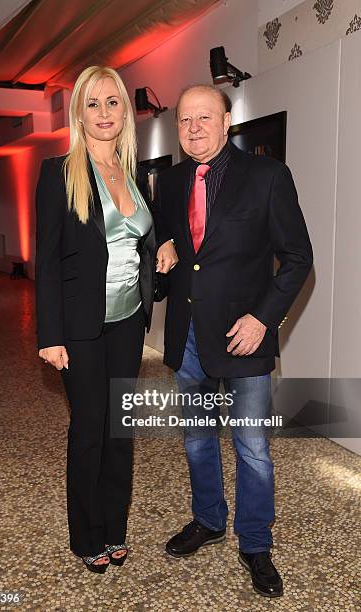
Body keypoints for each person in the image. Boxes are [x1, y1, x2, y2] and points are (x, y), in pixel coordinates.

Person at [154, 84, 313, 597]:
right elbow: (172, 236)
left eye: (205, 117)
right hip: (190, 338)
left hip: (246, 338)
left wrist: (264, 320)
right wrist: (168, 244)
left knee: (252, 448)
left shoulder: (267, 176)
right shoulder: (173, 180)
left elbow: (297, 259)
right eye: (185, 120)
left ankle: (254, 542)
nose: (194, 127)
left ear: (227, 122)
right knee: (197, 439)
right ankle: (208, 519)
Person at [35, 66, 156, 573]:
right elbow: (46, 259)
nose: (104, 114)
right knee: (89, 430)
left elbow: (141, 235)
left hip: (128, 322)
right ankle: (86, 536)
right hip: (81, 328)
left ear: (124, 112)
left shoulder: (133, 170)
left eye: (113, 103)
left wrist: (162, 246)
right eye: (93, 103)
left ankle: (115, 527)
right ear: (78, 112)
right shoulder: (59, 172)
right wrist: (50, 335)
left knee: (120, 431)